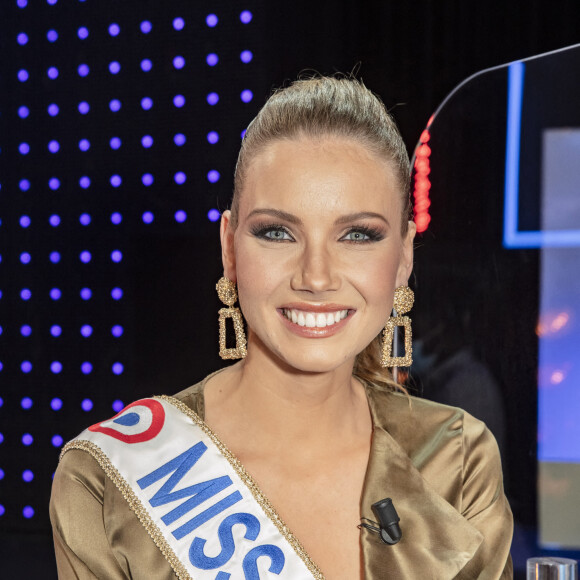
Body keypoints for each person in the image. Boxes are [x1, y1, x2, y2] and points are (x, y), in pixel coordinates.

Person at [50, 76, 513, 579]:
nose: (316, 276)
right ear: (229, 248)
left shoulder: (455, 459)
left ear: (403, 257)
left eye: (357, 235)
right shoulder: (108, 480)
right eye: (277, 232)